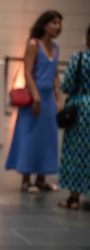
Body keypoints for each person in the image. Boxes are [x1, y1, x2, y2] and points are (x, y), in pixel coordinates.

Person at [6, 10, 62, 192]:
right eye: (54, 22)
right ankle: (26, 179)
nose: (57, 26)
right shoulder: (33, 44)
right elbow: (27, 72)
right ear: (45, 24)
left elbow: (55, 75)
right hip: (34, 97)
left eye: (59, 23)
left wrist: (58, 97)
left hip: (49, 100)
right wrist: (36, 96)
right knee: (29, 137)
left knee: (46, 139)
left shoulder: (56, 48)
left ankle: (41, 179)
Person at [58, 25, 90, 210]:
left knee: (76, 152)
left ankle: (74, 198)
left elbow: (67, 84)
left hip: (81, 108)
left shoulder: (79, 58)